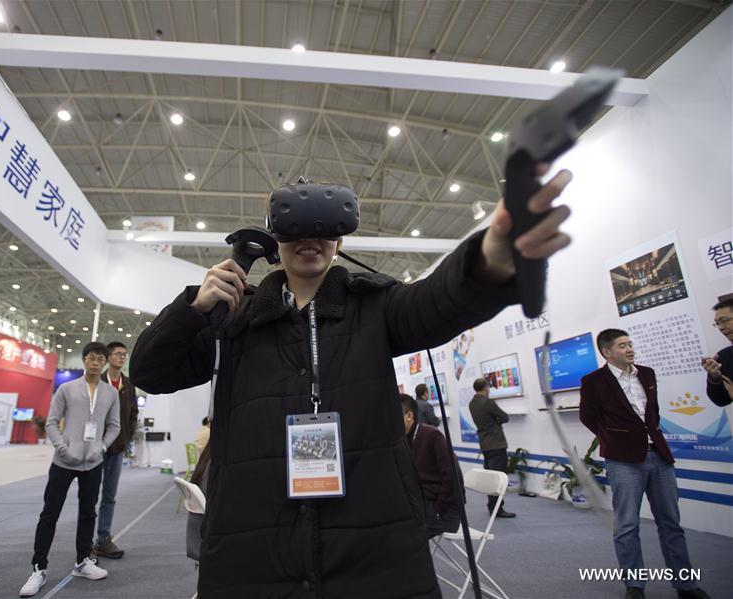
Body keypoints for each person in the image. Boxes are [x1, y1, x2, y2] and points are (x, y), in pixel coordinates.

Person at [130, 167, 573, 598]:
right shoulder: (235, 317)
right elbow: (150, 372)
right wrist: (192, 308)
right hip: (252, 546)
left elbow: (437, 301)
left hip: (373, 546)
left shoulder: (376, 305)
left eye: (323, 230)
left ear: (340, 239)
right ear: (273, 240)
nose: (310, 241)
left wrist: (488, 259)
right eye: (295, 230)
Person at [579, 329, 710, 599]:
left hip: (658, 455)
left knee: (671, 523)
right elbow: (588, 417)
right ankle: (635, 585)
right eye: (622, 345)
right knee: (627, 524)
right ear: (607, 352)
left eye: (630, 344)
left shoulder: (647, 374)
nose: (629, 349)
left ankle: (685, 584)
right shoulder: (593, 381)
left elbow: (653, 413)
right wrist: (614, 438)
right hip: (623, 460)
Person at [19, 342, 120, 598]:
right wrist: (63, 448)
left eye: (100, 359)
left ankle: (83, 561)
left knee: (88, 513)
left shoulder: (110, 393)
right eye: (91, 358)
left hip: (93, 463)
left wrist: (101, 447)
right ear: (84, 360)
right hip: (63, 462)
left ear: (105, 362)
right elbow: (52, 423)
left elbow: (114, 426)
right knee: (49, 514)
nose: (95, 363)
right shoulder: (67, 389)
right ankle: (38, 568)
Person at [93, 341, 138, 560]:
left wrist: (127, 438)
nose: (122, 357)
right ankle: (85, 541)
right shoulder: (97, 382)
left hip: (117, 448)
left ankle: (103, 539)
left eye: (124, 354)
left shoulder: (128, 385)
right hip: (94, 449)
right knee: (90, 495)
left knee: (109, 496)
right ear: (108, 357)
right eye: (118, 354)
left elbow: (133, 414)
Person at [400, 394, 463, 537]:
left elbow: (454, 477)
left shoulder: (432, 435)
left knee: (399, 535)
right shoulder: (403, 440)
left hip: (443, 513)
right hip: (420, 506)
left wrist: (437, 509)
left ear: (409, 416)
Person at [468, 378, 515, 518]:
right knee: (498, 477)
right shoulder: (487, 402)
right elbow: (504, 417)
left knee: (491, 476)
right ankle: (497, 508)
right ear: (486, 387)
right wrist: (497, 420)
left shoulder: (472, 403)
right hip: (496, 444)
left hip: (485, 443)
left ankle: (493, 506)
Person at [701, 297, 733, 407]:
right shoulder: (724, 356)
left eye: (724, 321)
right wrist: (714, 377)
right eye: (717, 323)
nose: (721, 327)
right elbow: (721, 401)